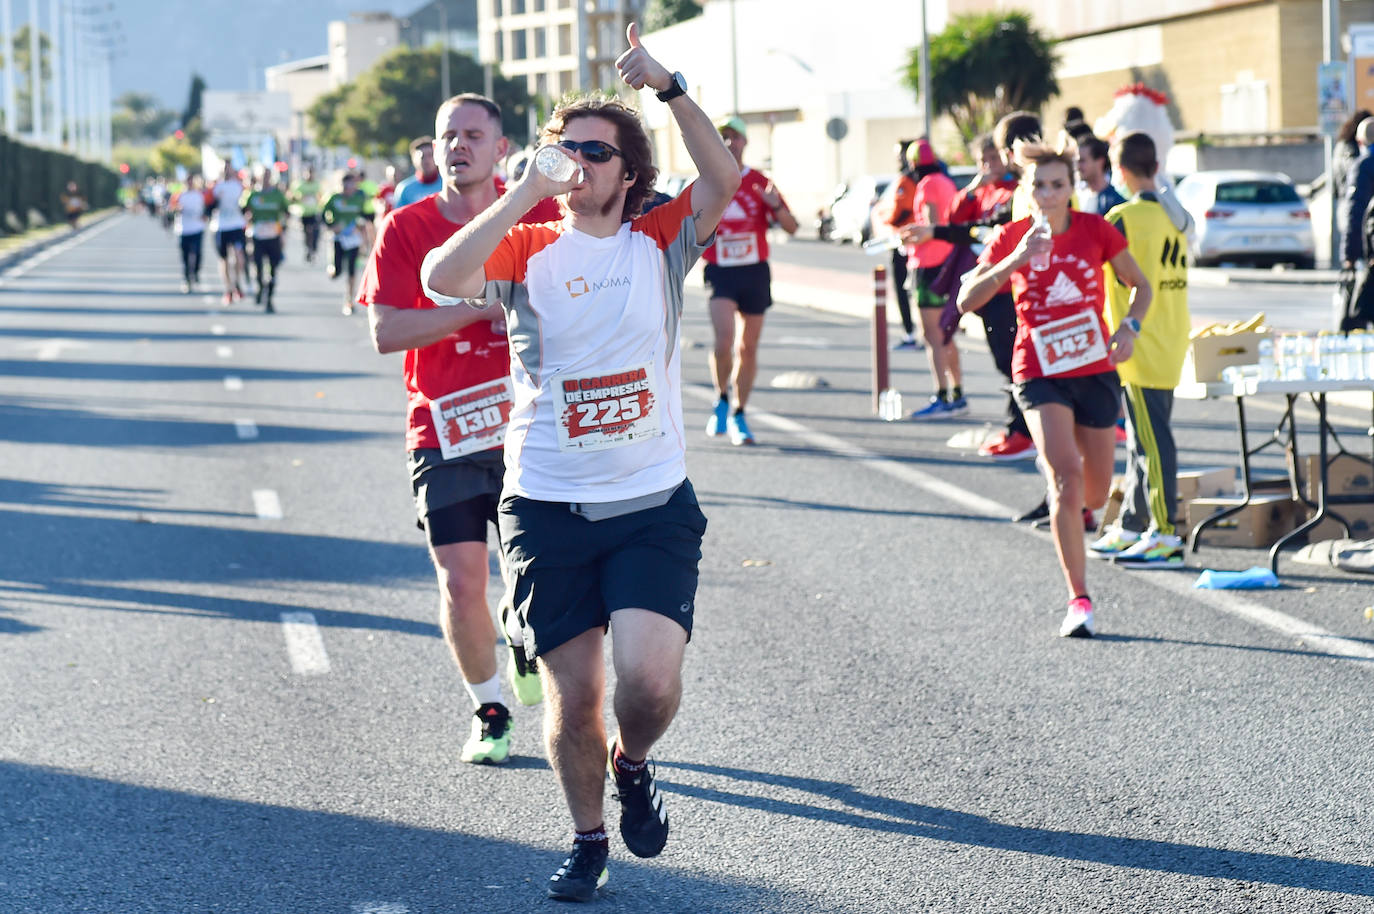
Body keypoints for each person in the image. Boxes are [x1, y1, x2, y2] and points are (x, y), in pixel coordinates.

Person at [420, 22, 738, 902]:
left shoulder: (660, 238)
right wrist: (523, 191)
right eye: (566, 149)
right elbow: (445, 276)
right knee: (575, 695)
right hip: (548, 504)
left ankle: (634, 766)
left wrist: (669, 88)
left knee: (648, 678)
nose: (578, 163)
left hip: (648, 500)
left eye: (596, 151)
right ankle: (588, 836)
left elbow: (723, 178)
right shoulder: (526, 245)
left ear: (627, 172)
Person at [359, 92, 560, 771]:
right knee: (460, 580)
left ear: (502, 149)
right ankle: (490, 709)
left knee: (539, 578)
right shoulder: (404, 226)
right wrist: (476, 312)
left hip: (529, 424)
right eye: (449, 134)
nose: (459, 145)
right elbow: (386, 331)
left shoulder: (538, 216)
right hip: (442, 427)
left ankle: (523, 631)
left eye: (474, 134)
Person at [956, 142, 1152, 639]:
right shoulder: (1012, 236)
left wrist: (1129, 327)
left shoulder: (1095, 230)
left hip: (1093, 369)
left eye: (1057, 185)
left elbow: (1140, 285)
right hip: (1038, 369)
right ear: (1027, 189)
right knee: (1064, 479)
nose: (1047, 194)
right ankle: (1079, 599)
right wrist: (1014, 261)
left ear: (1072, 188)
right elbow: (965, 299)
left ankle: (1078, 508)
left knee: (1093, 490)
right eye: (1038, 185)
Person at [1089, 131, 1191, 568]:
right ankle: (1133, 521)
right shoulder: (1176, 214)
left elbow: (1086, 263)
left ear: (1123, 168)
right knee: (1140, 437)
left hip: (1141, 337)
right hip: (1167, 333)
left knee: (1152, 440)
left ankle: (1165, 534)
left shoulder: (1123, 217)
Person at [701, 114, 798, 446]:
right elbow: (690, 223)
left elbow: (792, 226)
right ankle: (721, 398)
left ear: (745, 142)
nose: (730, 143)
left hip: (754, 270)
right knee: (723, 338)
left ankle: (740, 412)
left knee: (748, 347)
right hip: (720, 271)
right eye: (724, 137)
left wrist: (775, 206)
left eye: (735, 137)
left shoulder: (759, 181)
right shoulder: (710, 180)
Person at [898, 140, 965, 419]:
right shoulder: (947, 182)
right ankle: (958, 394)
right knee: (945, 333)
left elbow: (933, 225)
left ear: (913, 163)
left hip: (928, 265)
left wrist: (911, 233)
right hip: (948, 261)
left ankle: (942, 395)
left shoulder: (926, 186)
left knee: (932, 335)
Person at [881, 140, 923, 350]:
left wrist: (884, 216)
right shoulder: (925, 179)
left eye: (900, 154)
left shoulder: (906, 181)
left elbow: (899, 213)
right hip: (920, 243)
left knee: (904, 289)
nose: (897, 159)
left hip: (904, 243)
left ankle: (910, 334)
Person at [322, 172, 370, 315]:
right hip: (338, 238)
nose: (349, 187)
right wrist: (332, 226)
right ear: (340, 185)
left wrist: (362, 228)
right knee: (337, 272)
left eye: (351, 184)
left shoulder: (359, 198)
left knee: (351, 269)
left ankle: (349, 300)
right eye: (345, 184)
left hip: (353, 238)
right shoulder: (333, 198)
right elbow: (323, 215)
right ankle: (332, 267)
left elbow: (365, 216)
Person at [243, 171, 290, 313]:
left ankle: (269, 299)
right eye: (263, 177)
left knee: (273, 269)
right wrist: (249, 220)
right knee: (257, 267)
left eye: (268, 177)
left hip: (273, 236)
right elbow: (244, 210)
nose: (266, 180)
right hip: (257, 236)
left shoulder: (277, 195)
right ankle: (259, 287)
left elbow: (286, 212)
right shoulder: (252, 195)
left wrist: (282, 228)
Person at [209, 164, 250, 305]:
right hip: (220, 226)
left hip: (237, 225)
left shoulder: (239, 186)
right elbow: (208, 206)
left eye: (229, 169)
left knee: (239, 257)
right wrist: (214, 201)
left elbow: (246, 204)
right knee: (224, 260)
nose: (226, 171)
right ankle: (228, 290)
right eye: (224, 169)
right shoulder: (216, 187)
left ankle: (237, 283)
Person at [1341, 118, 1374, 271]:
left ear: (1361, 142)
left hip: (1370, 251)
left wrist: (1350, 255)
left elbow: (1356, 210)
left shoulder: (1363, 166)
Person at [171, 174, 208, 293]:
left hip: (197, 228)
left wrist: (205, 216)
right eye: (188, 181)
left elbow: (207, 208)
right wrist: (177, 208)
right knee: (185, 256)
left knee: (197, 253)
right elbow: (171, 208)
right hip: (183, 229)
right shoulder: (179, 195)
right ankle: (186, 279)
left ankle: (196, 272)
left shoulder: (199, 195)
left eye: (192, 181)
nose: (190, 183)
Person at [1075, 135, 1126, 216]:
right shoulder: (1077, 199)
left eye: (1082, 161)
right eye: (1077, 161)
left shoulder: (1117, 204)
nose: (1078, 167)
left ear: (1100, 162)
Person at [394, 135, 444, 210]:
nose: (427, 160)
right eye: (422, 157)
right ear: (413, 160)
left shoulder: (448, 184)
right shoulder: (404, 189)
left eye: (430, 155)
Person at [289, 165, 323, 263]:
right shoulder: (299, 185)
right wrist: (300, 197)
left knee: (315, 232)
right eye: (308, 173)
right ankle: (308, 249)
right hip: (304, 213)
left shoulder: (317, 184)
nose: (309, 175)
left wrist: (317, 198)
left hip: (315, 212)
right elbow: (292, 197)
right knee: (307, 232)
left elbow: (321, 197)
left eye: (311, 173)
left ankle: (314, 249)